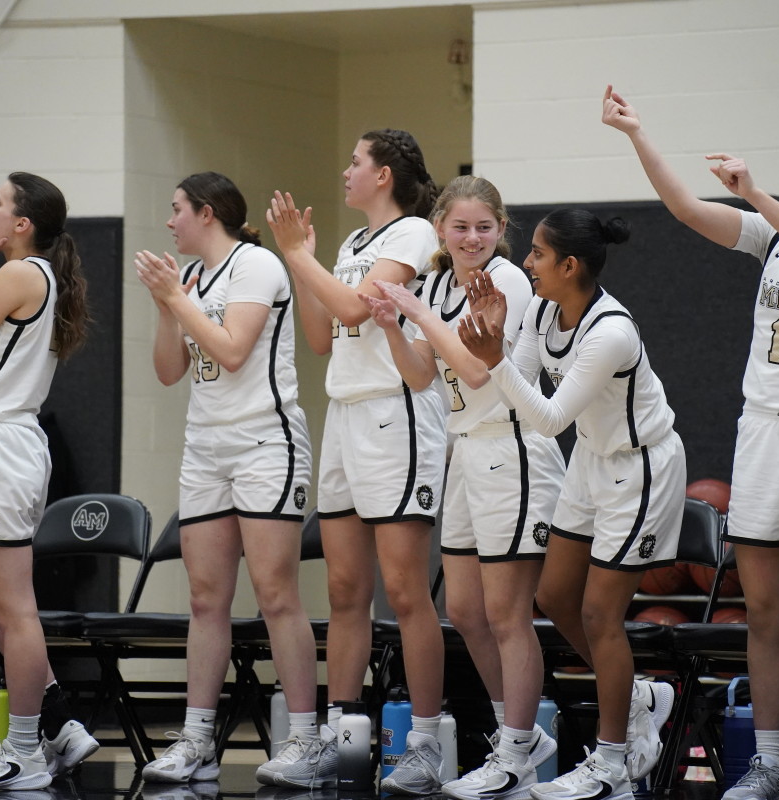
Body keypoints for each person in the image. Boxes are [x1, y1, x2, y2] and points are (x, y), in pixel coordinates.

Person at [602, 86, 779, 800]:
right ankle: (765, 762)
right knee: (762, 612)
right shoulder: (771, 240)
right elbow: (685, 209)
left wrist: (756, 192)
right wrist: (638, 135)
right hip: (761, 433)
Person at [459, 208, 686, 800]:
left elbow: (550, 417)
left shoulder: (610, 331)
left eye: (535, 254)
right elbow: (523, 385)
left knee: (598, 616)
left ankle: (612, 760)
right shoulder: (539, 310)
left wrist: (495, 360)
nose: (525, 263)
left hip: (641, 467)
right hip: (591, 460)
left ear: (569, 264)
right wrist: (497, 337)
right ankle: (637, 696)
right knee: (554, 595)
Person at [360, 175, 564, 799]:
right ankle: (513, 737)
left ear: (502, 230)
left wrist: (418, 312)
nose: (472, 237)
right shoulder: (441, 284)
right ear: (441, 231)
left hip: (514, 449)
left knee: (507, 615)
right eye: (460, 227)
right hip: (466, 452)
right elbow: (424, 376)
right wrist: (395, 324)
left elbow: (477, 371)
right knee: (467, 611)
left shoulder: (504, 281)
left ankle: (520, 751)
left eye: (484, 227)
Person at [265, 128, 448, 796]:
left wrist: (295, 255)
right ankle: (340, 740)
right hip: (344, 413)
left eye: (355, 161)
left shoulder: (415, 236)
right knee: (346, 590)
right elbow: (323, 334)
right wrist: (302, 261)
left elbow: (351, 306)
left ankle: (424, 745)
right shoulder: (350, 246)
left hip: (395, 417)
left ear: (385, 174)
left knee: (404, 590)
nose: (345, 170)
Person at [132, 172, 322, 787]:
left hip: (267, 442)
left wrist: (178, 300)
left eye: (176, 209)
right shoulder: (190, 280)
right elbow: (169, 371)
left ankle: (306, 738)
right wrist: (168, 306)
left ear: (207, 213)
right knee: (204, 598)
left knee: (274, 594)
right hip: (205, 447)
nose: (169, 222)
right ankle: (196, 740)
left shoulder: (258, 264)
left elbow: (235, 349)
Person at [0, 172, 96, 792]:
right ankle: (57, 720)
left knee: (16, 610)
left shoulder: (19, 273)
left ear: (23, 224)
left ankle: (25, 753)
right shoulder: (35, 275)